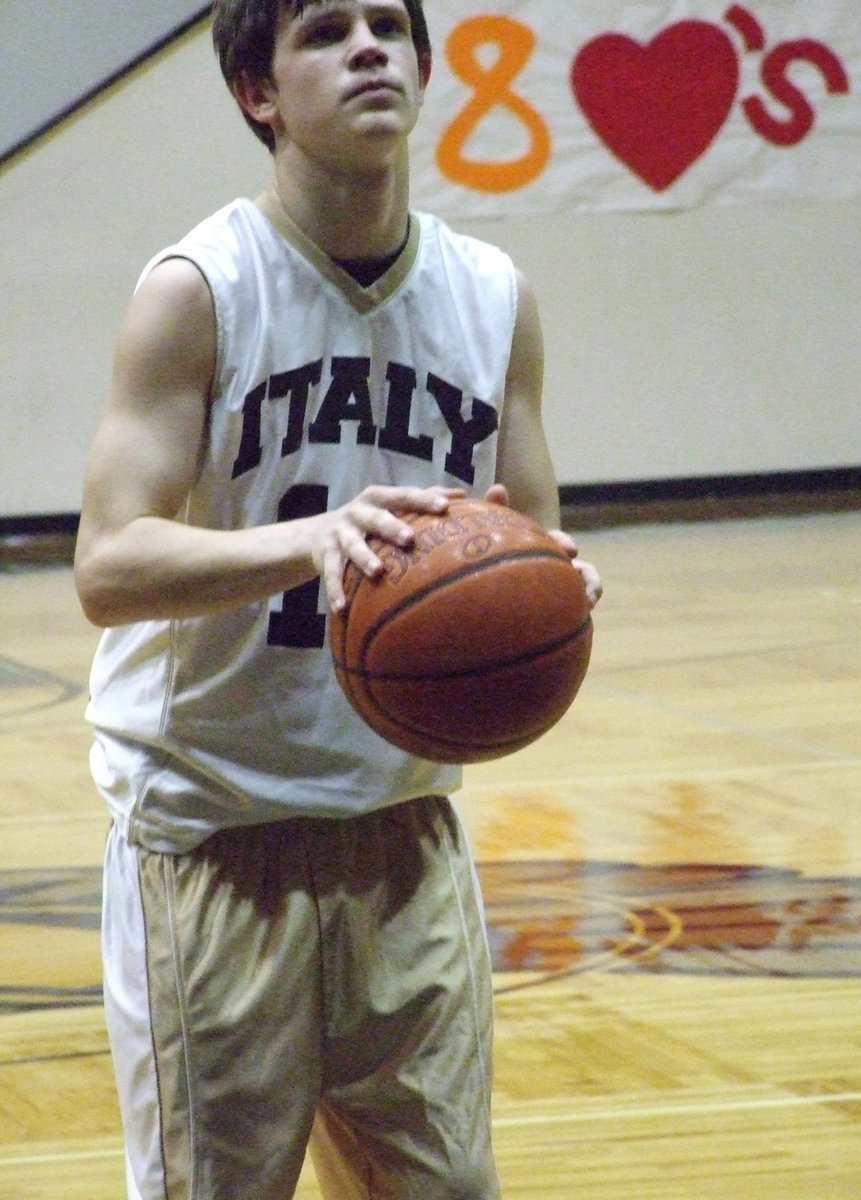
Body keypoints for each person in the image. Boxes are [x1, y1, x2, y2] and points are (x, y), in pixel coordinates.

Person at [74, 2, 602, 1197]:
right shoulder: (197, 289)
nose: (369, 48)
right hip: (215, 837)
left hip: (403, 833)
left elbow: (529, 531)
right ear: (259, 93)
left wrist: (557, 590)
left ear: (424, 67)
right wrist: (308, 540)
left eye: (388, 25)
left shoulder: (493, 294)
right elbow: (108, 568)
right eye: (325, 30)